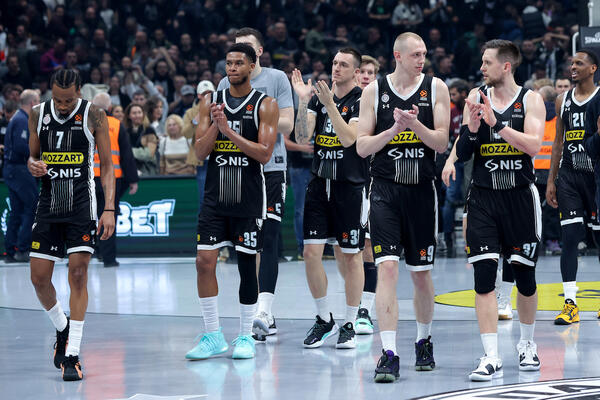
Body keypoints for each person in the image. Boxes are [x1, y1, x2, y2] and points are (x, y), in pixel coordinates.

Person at [356, 32, 450, 381]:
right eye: (415, 54)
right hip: (384, 191)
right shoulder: (374, 91)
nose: (421, 59)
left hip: (422, 193)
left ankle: (423, 341)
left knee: (421, 274)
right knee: (387, 270)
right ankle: (389, 352)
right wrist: (393, 130)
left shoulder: (436, 88)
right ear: (397, 55)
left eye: (424, 54)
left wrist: (415, 124)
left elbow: (441, 142)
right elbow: (362, 147)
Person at [455, 40, 545, 381]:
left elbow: (533, 146)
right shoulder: (475, 97)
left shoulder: (531, 100)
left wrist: (497, 124)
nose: (481, 68)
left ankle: (527, 344)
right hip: (483, 198)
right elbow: (464, 151)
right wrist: (473, 129)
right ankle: (491, 355)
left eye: (487, 62)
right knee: (483, 278)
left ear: (506, 66)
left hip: (520, 198)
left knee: (525, 277)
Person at [185, 43, 278, 360]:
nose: (232, 68)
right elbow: (200, 153)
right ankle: (213, 335)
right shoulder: (211, 102)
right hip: (215, 199)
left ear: (252, 66)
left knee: (246, 267)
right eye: (228, 63)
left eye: (239, 63)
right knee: (203, 262)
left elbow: (264, 154)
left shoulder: (265, 104)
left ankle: (245, 335)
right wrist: (215, 126)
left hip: (248, 199)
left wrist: (229, 130)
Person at [27, 69, 116, 381]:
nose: (63, 105)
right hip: (48, 207)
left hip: (81, 207)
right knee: (38, 279)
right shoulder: (37, 114)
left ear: (80, 92)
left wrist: (109, 208)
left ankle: (73, 355)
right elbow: (32, 157)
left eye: (68, 100)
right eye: (58, 99)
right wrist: (33, 166)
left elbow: (107, 166)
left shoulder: (95, 115)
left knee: (78, 275)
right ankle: (62, 326)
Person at [217, 28, 294, 340]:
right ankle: (253, 312)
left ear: (258, 52)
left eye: (246, 48)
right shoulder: (225, 83)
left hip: (271, 167)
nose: (240, 55)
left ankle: (265, 311)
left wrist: (254, 121)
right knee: (248, 244)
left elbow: (287, 123)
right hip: (238, 170)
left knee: (270, 237)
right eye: (236, 50)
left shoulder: (276, 78)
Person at [292, 47, 367, 350]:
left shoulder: (363, 99)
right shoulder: (317, 98)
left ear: (356, 71)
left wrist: (329, 105)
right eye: (335, 62)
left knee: (351, 256)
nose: (336, 68)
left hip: (350, 187)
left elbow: (349, 139)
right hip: (318, 184)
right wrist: (302, 99)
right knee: (311, 253)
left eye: (343, 64)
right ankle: (325, 319)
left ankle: (350, 322)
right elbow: (301, 137)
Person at [547, 50, 600, 325]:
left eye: (579, 63)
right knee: (569, 237)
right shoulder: (562, 100)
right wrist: (551, 180)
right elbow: (558, 142)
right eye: (571, 63)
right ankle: (570, 303)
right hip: (569, 176)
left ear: (593, 68)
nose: (573, 67)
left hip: (595, 176)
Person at [91, 92, 139, 268]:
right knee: (108, 216)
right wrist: (133, 180)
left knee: (84, 218)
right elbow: (126, 155)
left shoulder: (84, 123)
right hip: (110, 179)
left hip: (87, 178)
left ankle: (79, 256)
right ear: (110, 107)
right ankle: (108, 258)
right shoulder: (116, 124)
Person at [355, 54, 379, 335]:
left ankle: (366, 309)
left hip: (372, 183)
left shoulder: (381, 105)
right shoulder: (343, 102)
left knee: (369, 247)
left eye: (370, 73)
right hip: (345, 182)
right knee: (348, 252)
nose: (365, 76)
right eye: (361, 71)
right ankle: (352, 307)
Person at [3, 89, 40, 263]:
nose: (39, 104)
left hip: (13, 170)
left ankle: (10, 251)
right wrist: (38, 154)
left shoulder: (19, 118)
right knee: (32, 207)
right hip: (19, 169)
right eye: (38, 101)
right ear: (32, 103)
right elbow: (20, 146)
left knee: (17, 211)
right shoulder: (21, 120)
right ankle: (23, 248)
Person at [183, 80, 216, 212]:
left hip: (219, 158)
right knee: (204, 199)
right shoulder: (191, 112)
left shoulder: (221, 109)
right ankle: (203, 226)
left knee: (222, 198)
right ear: (199, 95)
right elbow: (186, 134)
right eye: (204, 94)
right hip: (202, 161)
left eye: (210, 93)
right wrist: (196, 120)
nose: (207, 96)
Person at [124, 103, 159, 175]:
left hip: (147, 170)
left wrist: (129, 151)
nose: (137, 115)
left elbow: (149, 154)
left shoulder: (149, 130)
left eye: (139, 112)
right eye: (134, 113)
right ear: (128, 116)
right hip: (129, 169)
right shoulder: (125, 132)